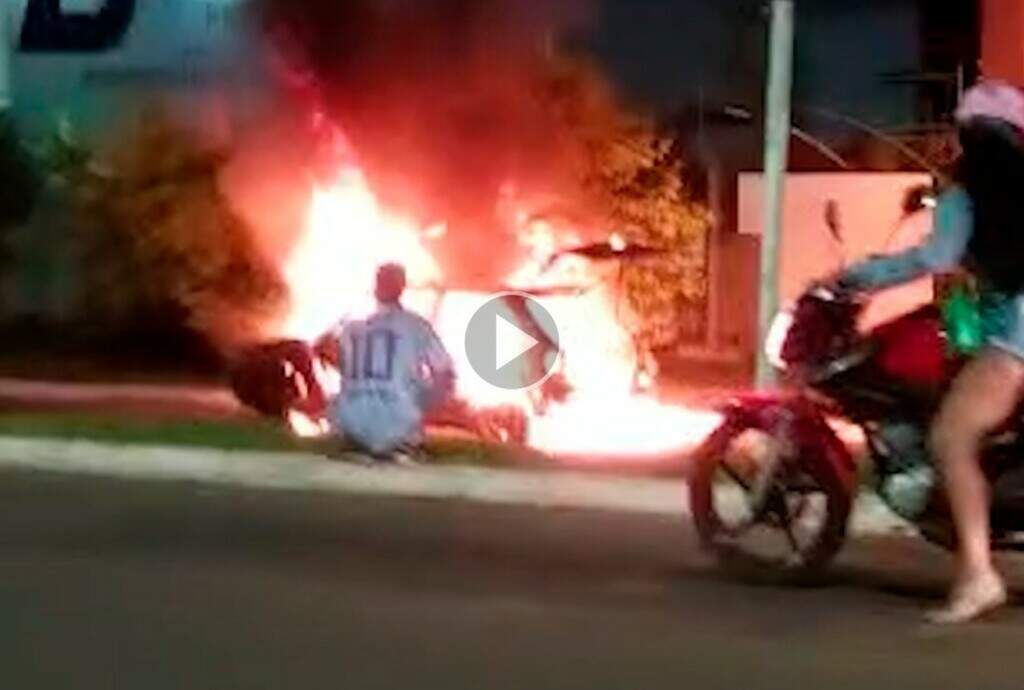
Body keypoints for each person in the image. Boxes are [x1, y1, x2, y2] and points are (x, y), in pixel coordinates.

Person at [836, 80, 1024, 623]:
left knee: (951, 438)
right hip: (1006, 328)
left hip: (1013, 338)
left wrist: (861, 274)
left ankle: (979, 574)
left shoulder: (969, 193)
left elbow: (936, 257)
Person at [331, 263, 455, 461]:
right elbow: (445, 374)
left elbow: (343, 370)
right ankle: (401, 444)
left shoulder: (351, 329)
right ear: (402, 288)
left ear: (375, 289)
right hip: (398, 423)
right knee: (420, 384)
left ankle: (357, 443)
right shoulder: (416, 325)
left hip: (350, 423)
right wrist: (428, 404)